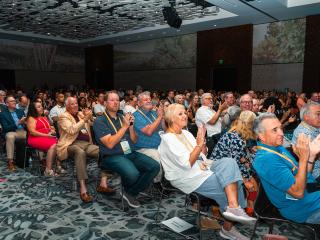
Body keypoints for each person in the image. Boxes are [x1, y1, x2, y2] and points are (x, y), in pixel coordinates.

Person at [159, 104, 256, 240]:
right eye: (180, 114)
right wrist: (199, 145)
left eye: (184, 112)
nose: (185, 115)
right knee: (233, 184)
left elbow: (201, 155)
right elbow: (187, 164)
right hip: (186, 177)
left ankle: (233, 208)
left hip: (201, 167)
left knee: (229, 162)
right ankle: (228, 226)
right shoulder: (168, 139)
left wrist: (202, 147)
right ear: (171, 118)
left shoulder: (185, 133)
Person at [93, 91, 160, 208]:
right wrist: (124, 127)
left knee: (154, 166)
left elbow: (134, 140)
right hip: (111, 156)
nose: (115, 103)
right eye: (112, 100)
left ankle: (129, 193)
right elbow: (109, 144)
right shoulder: (100, 121)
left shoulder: (121, 117)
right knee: (133, 173)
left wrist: (131, 127)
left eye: (117, 100)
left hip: (129, 152)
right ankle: (133, 191)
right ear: (105, 103)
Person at [253, 113, 320, 223]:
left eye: (280, 128)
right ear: (261, 136)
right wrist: (303, 158)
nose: (281, 133)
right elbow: (298, 193)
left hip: (312, 197)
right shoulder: (266, 159)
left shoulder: (278, 148)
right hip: (305, 209)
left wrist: (311, 155)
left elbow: (304, 177)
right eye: (275, 130)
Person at [57, 97, 114, 203]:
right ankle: (83, 188)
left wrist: (90, 116)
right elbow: (71, 130)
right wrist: (85, 119)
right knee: (80, 152)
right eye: (72, 104)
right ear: (67, 106)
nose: (76, 105)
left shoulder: (79, 114)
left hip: (86, 144)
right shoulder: (63, 116)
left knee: (104, 151)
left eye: (76, 103)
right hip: (70, 144)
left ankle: (103, 183)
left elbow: (93, 123)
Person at [210, 111, 258, 216]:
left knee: (254, 182)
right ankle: (248, 211)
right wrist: (245, 180)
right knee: (253, 186)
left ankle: (249, 209)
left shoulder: (238, 133)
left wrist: (246, 160)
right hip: (221, 169)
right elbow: (233, 163)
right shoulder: (235, 137)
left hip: (231, 165)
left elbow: (240, 157)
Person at [133, 91, 164, 182]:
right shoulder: (136, 116)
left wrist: (163, 117)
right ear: (139, 103)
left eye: (150, 99)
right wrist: (159, 117)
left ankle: (170, 179)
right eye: (145, 100)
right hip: (144, 148)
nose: (149, 101)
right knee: (157, 157)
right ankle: (157, 183)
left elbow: (164, 128)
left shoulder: (154, 113)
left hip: (159, 145)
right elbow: (149, 131)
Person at [26, 101, 58, 176]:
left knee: (60, 143)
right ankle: (48, 170)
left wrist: (52, 130)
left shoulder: (44, 117)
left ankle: (57, 166)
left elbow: (49, 127)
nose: (41, 108)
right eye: (38, 107)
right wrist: (47, 135)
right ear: (33, 109)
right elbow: (32, 132)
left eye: (41, 106)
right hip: (35, 138)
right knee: (53, 145)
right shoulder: (31, 118)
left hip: (46, 137)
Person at [292, 102, 320, 182]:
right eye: (318, 114)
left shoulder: (314, 125)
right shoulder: (303, 134)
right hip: (315, 173)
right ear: (306, 117)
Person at [0, 95, 26, 171]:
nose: (14, 102)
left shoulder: (20, 111)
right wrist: (18, 123)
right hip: (12, 132)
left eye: (14, 100)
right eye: (12, 101)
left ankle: (42, 159)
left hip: (22, 132)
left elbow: (25, 123)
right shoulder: (3, 114)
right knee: (10, 136)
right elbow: (6, 128)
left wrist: (26, 123)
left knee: (35, 134)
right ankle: (10, 161)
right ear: (7, 104)